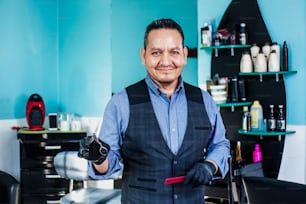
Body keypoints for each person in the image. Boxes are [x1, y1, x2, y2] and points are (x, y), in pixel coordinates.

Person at [78, 18, 230, 203]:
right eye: (156, 52)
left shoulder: (204, 101)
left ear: (184, 54)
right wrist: (98, 157)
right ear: (143, 56)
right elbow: (108, 163)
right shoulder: (121, 103)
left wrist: (210, 165)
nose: (165, 61)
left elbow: (220, 144)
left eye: (174, 52)